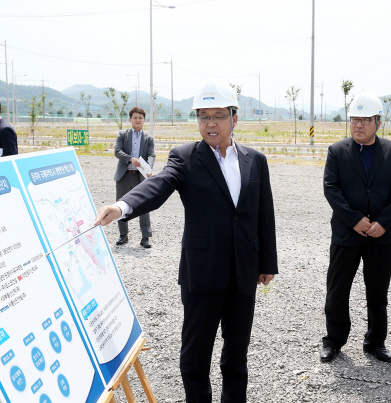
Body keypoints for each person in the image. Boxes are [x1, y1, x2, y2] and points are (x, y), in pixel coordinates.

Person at [95, 78, 278, 403]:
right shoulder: (186, 157)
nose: (210, 123)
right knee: (195, 358)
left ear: (234, 118)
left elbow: (264, 214)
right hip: (202, 274)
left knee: (236, 358)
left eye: (218, 115)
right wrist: (122, 206)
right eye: (203, 116)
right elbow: (159, 184)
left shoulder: (255, 160)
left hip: (243, 273)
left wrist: (267, 263)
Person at [320, 92, 391, 363]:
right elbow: (331, 189)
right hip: (347, 233)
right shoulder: (337, 151)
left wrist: (383, 222)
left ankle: (376, 342)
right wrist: (354, 219)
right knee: (337, 290)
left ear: (377, 123)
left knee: (378, 292)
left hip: (380, 235)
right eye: (355, 119)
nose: (358, 125)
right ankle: (334, 340)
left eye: (365, 120)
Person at [113, 106, 155, 248]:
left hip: (140, 177)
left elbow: (151, 155)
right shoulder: (122, 135)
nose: (138, 120)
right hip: (124, 176)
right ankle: (123, 235)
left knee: (143, 206)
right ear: (130, 119)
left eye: (140, 118)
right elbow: (117, 151)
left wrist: (149, 167)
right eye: (135, 117)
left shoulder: (148, 138)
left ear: (144, 120)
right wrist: (131, 159)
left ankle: (145, 237)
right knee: (121, 206)